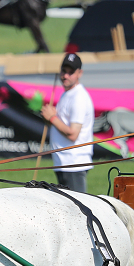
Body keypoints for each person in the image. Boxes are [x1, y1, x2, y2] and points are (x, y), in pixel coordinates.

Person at [40, 53, 95, 193]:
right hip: (64, 162)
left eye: (71, 73)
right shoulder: (67, 93)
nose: (66, 76)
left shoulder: (79, 97)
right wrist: (52, 118)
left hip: (74, 163)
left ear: (80, 73)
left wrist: (52, 118)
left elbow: (73, 134)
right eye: (64, 71)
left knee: (78, 210)